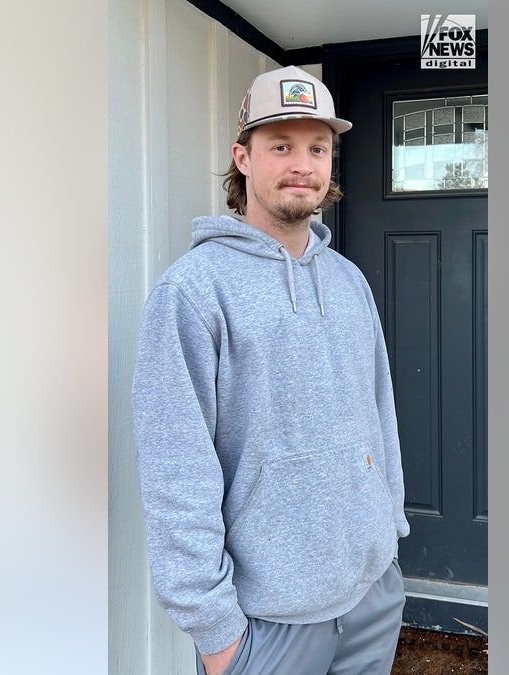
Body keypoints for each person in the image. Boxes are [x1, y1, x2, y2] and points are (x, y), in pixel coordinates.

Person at [132, 65, 409, 675]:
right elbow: (175, 467)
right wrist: (217, 633)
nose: (302, 164)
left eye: (318, 147)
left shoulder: (348, 282)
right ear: (244, 158)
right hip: (267, 626)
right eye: (280, 145)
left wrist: (387, 534)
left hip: (370, 598)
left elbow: (379, 409)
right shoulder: (193, 291)